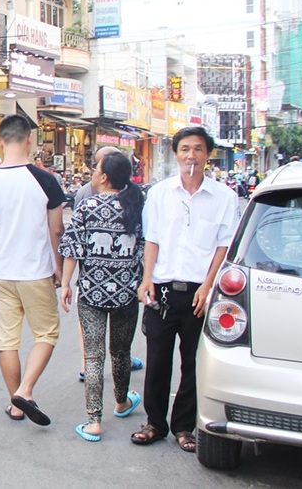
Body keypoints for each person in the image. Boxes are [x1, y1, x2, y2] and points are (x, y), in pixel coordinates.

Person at [131, 126, 238, 453]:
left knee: (193, 362)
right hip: (162, 291)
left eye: (198, 149)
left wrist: (208, 286)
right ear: (177, 154)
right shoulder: (160, 193)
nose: (191, 155)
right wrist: (147, 277)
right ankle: (155, 423)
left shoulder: (225, 197)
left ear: (208, 155)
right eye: (185, 149)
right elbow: (153, 239)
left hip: (199, 295)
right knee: (158, 359)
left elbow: (223, 247)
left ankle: (183, 427)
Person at [0, 114, 66, 425]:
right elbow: (57, 229)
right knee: (46, 333)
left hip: (2, 270)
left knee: (6, 340)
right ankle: (25, 391)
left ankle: (14, 404)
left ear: (1, 141)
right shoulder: (46, 180)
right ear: (30, 139)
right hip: (36, 270)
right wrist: (59, 266)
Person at [60, 151, 145, 442]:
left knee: (93, 356)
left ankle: (94, 421)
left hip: (92, 294)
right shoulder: (135, 205)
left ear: (104, 176)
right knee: (121, 352)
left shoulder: (87, 207)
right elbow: (145, 249)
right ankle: (121, 403)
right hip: (127, 294)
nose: (93, 173)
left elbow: (73, 248)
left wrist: (66, 284)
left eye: (96, 169)